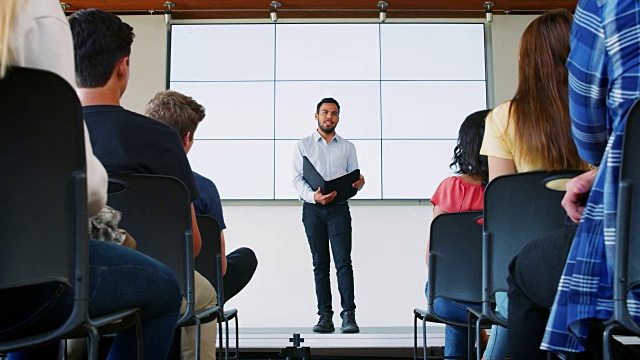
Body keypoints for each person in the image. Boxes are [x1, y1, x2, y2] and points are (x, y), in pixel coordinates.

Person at [0, 1, 182, 359]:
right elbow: (89, 189)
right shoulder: (33, 13)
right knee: (165, 290)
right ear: (123, 66)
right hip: (32, 282)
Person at [68, 9, 217, 360]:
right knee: (178, 291)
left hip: (46, 278)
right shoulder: (160, 138)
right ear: (123, 67)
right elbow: (191, 244)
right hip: (122, 276)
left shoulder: (41, 130)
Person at [507, 0, 640, 358]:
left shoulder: (608, 7)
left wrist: (604, 168)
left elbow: (593, 139)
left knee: (524, 272)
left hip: (626, 263)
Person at [479, 9, 590, 360]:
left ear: (527, 62)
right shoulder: (600, 113)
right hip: (601, 257)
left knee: (520, 285)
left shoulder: (502, 119)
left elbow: (501, 205)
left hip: (529, 268)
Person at [144, 89, 258, 301]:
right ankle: (207, 304)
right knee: (244, 258)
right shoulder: (203, 188)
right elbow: (221, 267)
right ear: (187, 138)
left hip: (141, 273)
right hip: (192, 283)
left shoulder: (131, 179)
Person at [292, 98, 365, 333]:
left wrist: (359, 184)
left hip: (339, 208)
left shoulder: (348, 147)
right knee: (320, 263)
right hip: (313, 209)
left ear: (338, 118)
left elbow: (354, 179)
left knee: (344, 262)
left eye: (334, 114)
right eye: (325, 112)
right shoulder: (303, 145)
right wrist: (315, 197)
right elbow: (297, 179)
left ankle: (349, 316)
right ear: (316, 116)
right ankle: (325, 316)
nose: (329, 117)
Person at [426, 109, 493, 358]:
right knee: (468, 303)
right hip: (498, 298)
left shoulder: (449, 189)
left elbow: (431, 260)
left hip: (450, 298)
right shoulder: (509, 191)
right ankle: (484, 339)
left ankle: (477, 338)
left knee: (453, 301)